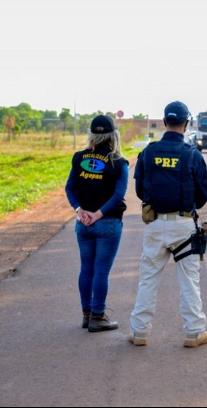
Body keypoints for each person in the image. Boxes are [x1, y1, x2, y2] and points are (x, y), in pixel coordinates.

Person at [129, 101, 207, 348]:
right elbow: (204, 191)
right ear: (186, 124)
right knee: (189, 281)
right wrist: (188, 206)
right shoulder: (191, 154)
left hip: (155, 224)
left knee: (148, 279)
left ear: (165, 122)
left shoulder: (148, 152)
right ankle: (195, 332)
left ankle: (139, 332)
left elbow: (139, 187)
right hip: (184, 226)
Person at [65, 114, 129, 332]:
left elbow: (69, 188)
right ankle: (98, 316)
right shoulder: (119, 162)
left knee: (87, 268)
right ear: (114, 135)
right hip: (107, 223)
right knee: (101, 270)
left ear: (91, 134)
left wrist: (79, 210)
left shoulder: (78, 157)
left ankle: (86, 314)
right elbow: (119, 194)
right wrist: (99, 214)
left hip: (83, 223)